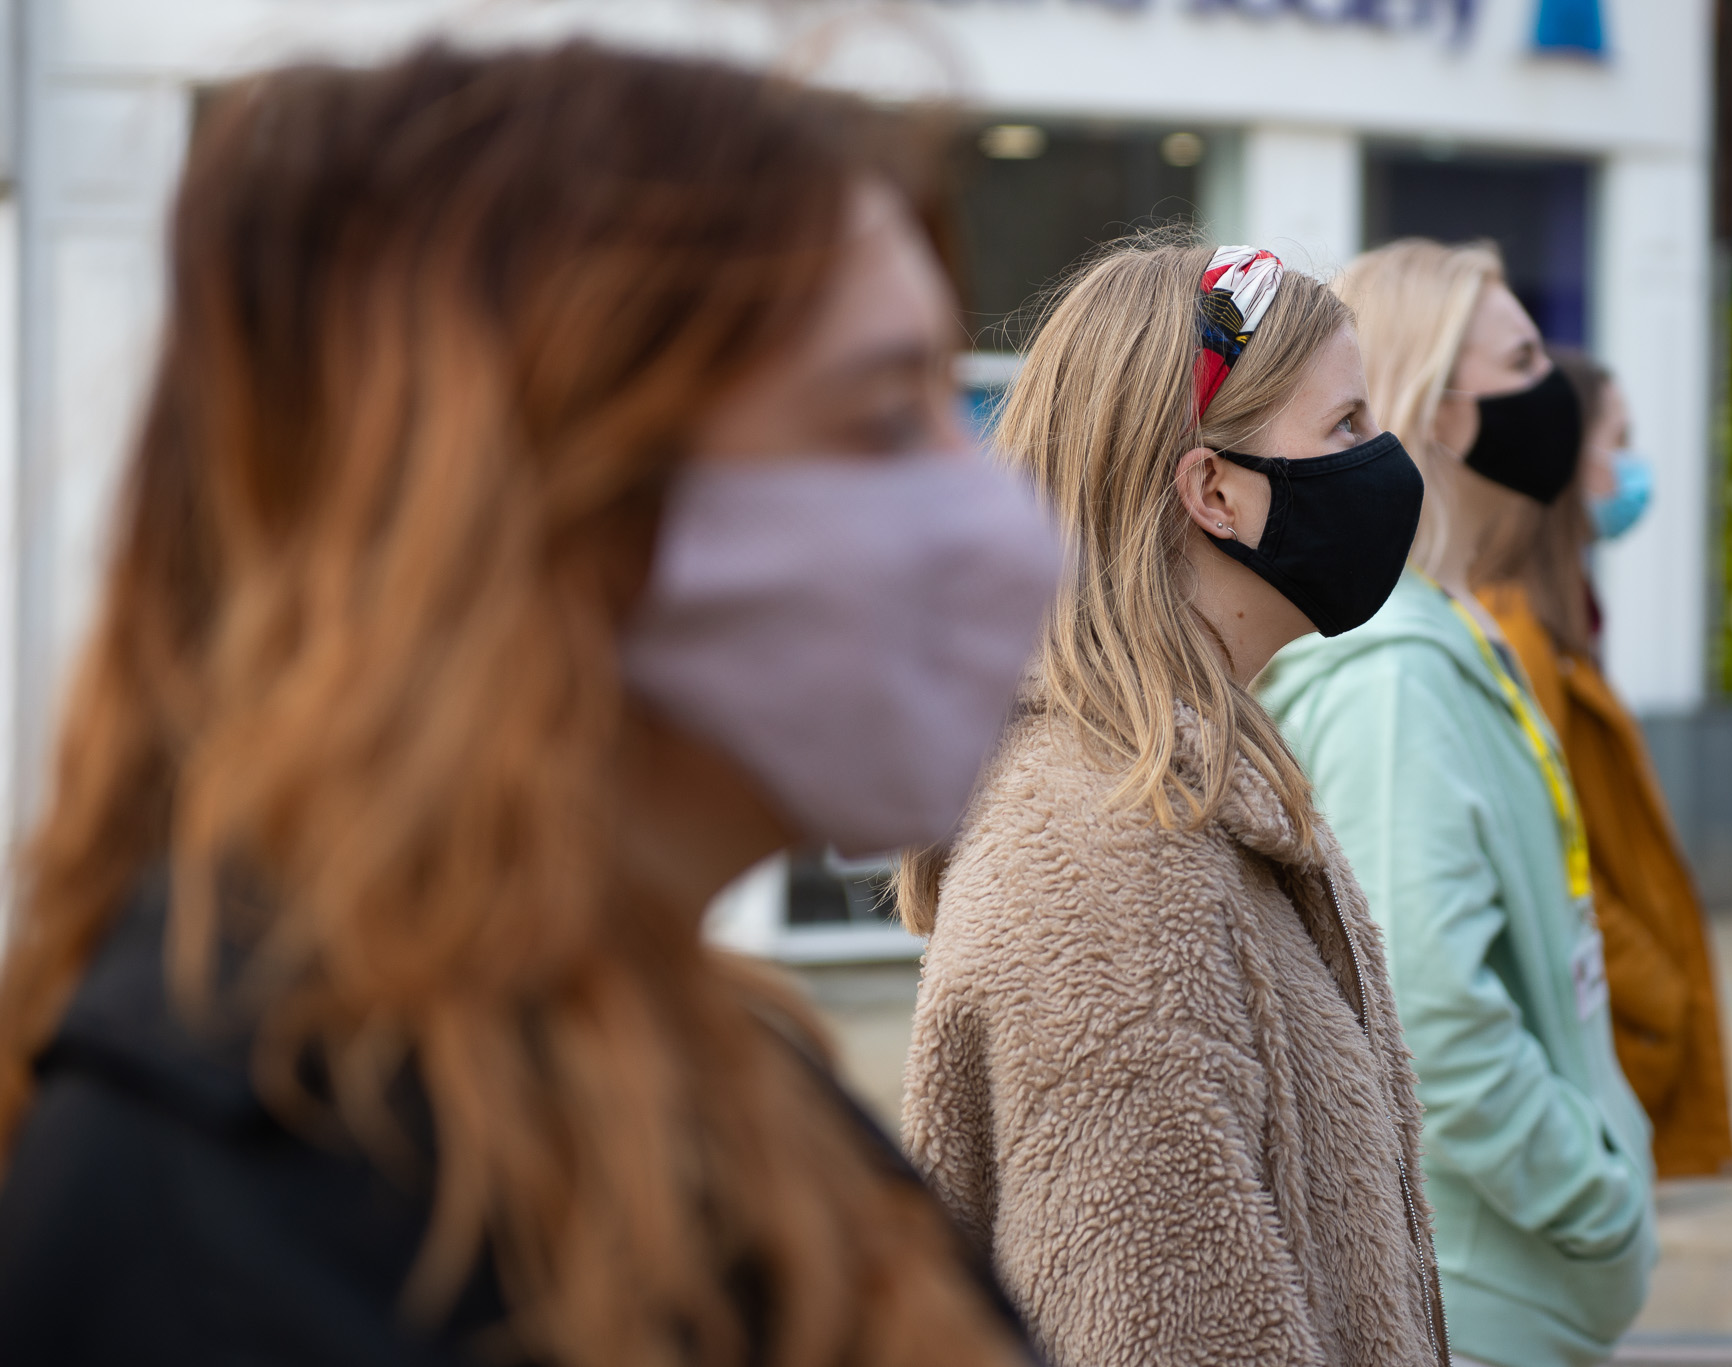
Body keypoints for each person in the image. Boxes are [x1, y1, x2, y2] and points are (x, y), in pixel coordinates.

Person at [0, 44, 1064, 1367]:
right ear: (552, 507)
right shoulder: (219, 1207)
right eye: (884, 420)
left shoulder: (702, 1070)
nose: (1004, 522)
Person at [897, 242, 1444, 1367]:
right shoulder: (1107, 860)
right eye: (1344, 426)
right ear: (1213, 491)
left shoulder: (1185, 786)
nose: (1382, 462)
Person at [1258, 239, 1656, 1367]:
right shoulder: (1396, 674)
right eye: (1521, 360)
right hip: (1472, 1302)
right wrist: (1591, 1198)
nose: (1555, 395)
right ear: (1439, 407)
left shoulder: (1454, 627)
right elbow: (1426, 1006)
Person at [1472, 349, 1732, 1180]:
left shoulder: (1562, 620)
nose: (1632, 466)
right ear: (1567, 448)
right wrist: (1654, 984)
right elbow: (1543, 855)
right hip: (1599, 1026)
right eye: (1618, 439)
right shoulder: (1517, 631)